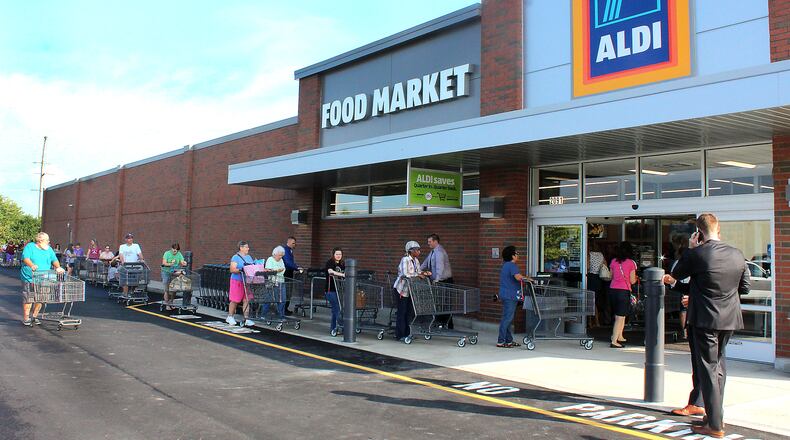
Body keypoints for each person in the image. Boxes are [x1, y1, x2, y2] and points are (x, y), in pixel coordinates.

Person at [664, 213, 750, 438]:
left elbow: (677, 274)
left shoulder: (697, 254)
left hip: (705, 320)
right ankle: (713, 416)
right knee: (719, 366)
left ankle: (715, 425)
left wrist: (691, 249)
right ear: (718, 227)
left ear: (699, 233)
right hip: (729, 319)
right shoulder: (737, 254)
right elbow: (745, 288)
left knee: (708, 369)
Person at [20, 232, 65, 326]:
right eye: (47, 240)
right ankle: (26, 318)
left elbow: (54, 259)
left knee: (40, 298)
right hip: (30, 277)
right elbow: (25, 258)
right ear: (40, 240)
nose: (49, 242)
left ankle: (34, 317)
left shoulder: (49, 249)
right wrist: (32, 265)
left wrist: (58, 267)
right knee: (29, 298)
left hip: (44, 277)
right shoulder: (30, 247)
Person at [420, 233, 454, 329]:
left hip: (444, 281)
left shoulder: (439, 252)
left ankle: (448, 324)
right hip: (440, 281)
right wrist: (417, 271)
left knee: (445, 303)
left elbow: (440, 267)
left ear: (435, 241)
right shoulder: (432, 252)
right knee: (440, 303)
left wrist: (437, 280)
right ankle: (441, 322)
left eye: (430, 241)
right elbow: (426, 263)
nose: (428, 243)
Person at [393, 241, 425, 341]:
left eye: (419, 250)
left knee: (409, 312)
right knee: (402, 312)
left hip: (411, 290)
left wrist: (424, 273)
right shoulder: (405, 260)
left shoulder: (416, 261)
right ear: (411, 251)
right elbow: (405, 274)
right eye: (417, 250)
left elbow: (418, 272)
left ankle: (407, 333)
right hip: (401, 290)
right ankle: (400, 335)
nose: (419, 252)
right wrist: (417, 275)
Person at [498, 246, 529, 348]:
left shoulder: (505, 265)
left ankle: (509, 341)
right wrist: (529, 279)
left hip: (505, 294)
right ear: (512, 255)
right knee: (507, 319)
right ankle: (501, 341)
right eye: (517, 254)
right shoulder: (512, 265)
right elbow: (518, 277)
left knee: (507, 318)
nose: (518, 255)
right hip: (510, 296)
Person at [608, 242, 637, 348]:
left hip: (613, 289)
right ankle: (614, 340)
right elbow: (633, 280)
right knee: (620, 317)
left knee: (620, 315)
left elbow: (610, 276)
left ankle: (620, 335)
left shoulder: (613, 261)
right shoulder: (631, 263)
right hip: (624, 291)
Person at [227, 241, 255, 326]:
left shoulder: (249, 257)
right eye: (246, 247)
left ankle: (246, 318)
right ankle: (230, 316)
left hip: (247, 281)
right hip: (237, 280)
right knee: (235, 299)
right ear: (241, 248)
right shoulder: (235, 257)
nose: (248, 248)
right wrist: (240, 270)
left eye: (248, 247)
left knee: (246, 299)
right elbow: (232, 269)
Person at [587, 241, 609, 326]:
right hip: (598, 279)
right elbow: (605, 265)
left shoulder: (589, 255)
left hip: (590, 278)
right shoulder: (600, 254)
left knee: (589, 301)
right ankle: (596, 321)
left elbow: (588, 267)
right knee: (594, 300)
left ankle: (590, 321)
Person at [324, 247, 345, 335]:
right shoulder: (330, 262)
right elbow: (330, 271)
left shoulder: (342, 263)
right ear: (333, 254)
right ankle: (343, 326)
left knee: (335, 310)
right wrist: (342, 274)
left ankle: (333, 328)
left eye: (340, 254)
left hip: (339, 290)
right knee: (337, 309)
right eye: (337, 254)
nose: (338, 256)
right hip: (330, 290)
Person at [263, 246, 287, 318]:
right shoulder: (270, 259)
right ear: (274, 254)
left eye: (282, 255)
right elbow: (267, 270)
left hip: (281, 281)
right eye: (279, 255)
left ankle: (281, 315)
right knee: (269, 299)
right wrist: (276, 271)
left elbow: (283, 269)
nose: (280, 257)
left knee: (282, 299)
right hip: (272, 282)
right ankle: (264, 314)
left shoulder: (281, 260)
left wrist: (279, 270)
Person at [161, 243, 186, 310]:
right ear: (171, 248)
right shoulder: (167, 253)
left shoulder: (179, 254)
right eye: (174, 249)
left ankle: (171, 302)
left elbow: (182, 261)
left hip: (174, 271)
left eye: (176, 250)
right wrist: (170, 264)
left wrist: (184, 262)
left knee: (174, 289)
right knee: (167, 289)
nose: (175, 251)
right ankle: (167, 305)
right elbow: (164, 263)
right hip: (166, 271)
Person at [282, 236, 302, 315]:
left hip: (289, 272)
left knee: (288, 291)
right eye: (293, 243)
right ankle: (284, 309)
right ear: (289, 242)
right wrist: (297, 268)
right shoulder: (286, 250)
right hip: (286, 272)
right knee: (287, 291)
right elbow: (288, 262)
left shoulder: (289, 250)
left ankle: (285, 308)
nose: (294, 245)